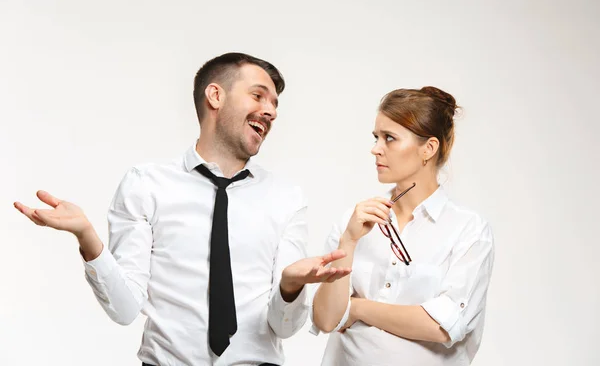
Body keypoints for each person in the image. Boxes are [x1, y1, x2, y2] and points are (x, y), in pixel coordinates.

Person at [14, 52, 351, 366]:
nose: (271, 111)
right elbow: (124, 308)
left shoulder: (285, 197)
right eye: (258, 96)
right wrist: (87, 238)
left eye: (275, 104)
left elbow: (284, 327)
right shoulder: (146, 184)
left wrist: (290, 287)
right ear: (215, 96)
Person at [310, 87, 495, 366]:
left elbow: (442, 326)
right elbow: (326, 319)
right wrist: (348, 241)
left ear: (428, 149)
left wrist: (358, 307)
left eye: (389, 138)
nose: (375, 149)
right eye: (376, 137)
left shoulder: (468, 230)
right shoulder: (355, 221)